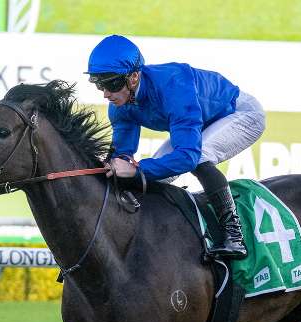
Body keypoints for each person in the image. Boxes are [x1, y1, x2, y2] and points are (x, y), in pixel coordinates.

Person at [86, 34, 266, 259]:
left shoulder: (174, 85)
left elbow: (188, 157)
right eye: (100, 84)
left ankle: (234, 236)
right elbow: (122, 155)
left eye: (111, 84)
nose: (105, 93)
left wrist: (136, 169)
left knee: (199, 157)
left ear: (133, 77)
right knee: (153, 177)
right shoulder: (120, 105)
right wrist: (113, 165)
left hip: (240, 113)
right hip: (200, 121)